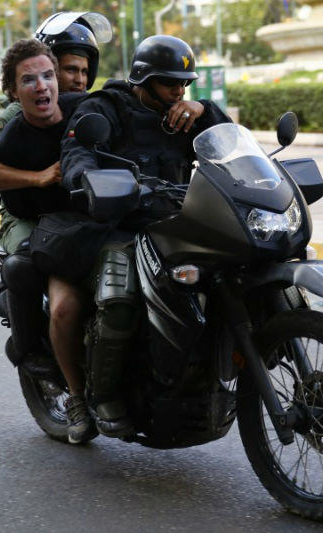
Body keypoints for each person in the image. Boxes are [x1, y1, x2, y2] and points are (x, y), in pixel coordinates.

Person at [60, 35, 231, 438]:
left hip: (175, 225)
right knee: (119, 299)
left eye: (186, 84)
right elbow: (76, 154)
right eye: (171, 82)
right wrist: (89, 180)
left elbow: (229, 145)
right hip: (120, 226)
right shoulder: (105, 108)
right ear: (144, 77)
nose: (180, 91)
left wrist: (205, 111)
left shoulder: (183, 114)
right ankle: (101, 396)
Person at [0, 12, 111, 445]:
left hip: (76, 214)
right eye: (66, 68)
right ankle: (40, 357)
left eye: (79, 70)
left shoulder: (84, 107)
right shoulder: (13, 120)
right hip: (29, 214)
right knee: (29, 264)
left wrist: (192, 106)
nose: (72, 79)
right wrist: (40, 178)